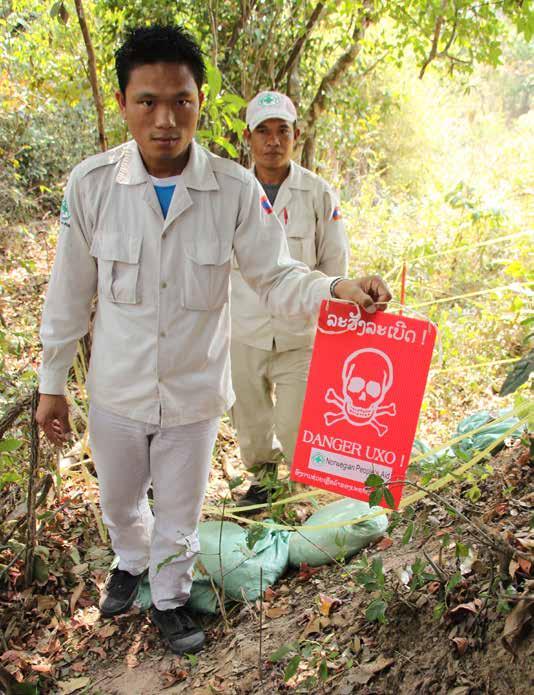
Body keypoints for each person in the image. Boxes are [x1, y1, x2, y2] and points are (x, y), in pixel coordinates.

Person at [36, 25, 391, 656]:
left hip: (195, 393)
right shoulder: (90, 187)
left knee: (180, 508)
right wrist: (51, 384)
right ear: (123, 104)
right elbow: (68, 293)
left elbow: (275, 275)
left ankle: (170, 597)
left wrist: (335, 289)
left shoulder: (233, 188)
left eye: (182, 101)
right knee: (119, 501)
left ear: (202, 102)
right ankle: (130, 560)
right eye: (148, 101)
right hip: (116, 389)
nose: (166, 119)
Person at [231, 91, 349, 508]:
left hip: (300, 332)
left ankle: (300, 497)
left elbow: (334, 267)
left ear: (296, 135)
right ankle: (262, 485)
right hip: (243, 329)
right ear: (248, 137)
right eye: (263, 131)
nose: (273, 141)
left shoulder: (317, 194)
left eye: (282, 131)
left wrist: (338, 332)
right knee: (251, 419)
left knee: (297, 424)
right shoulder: (231, 191)